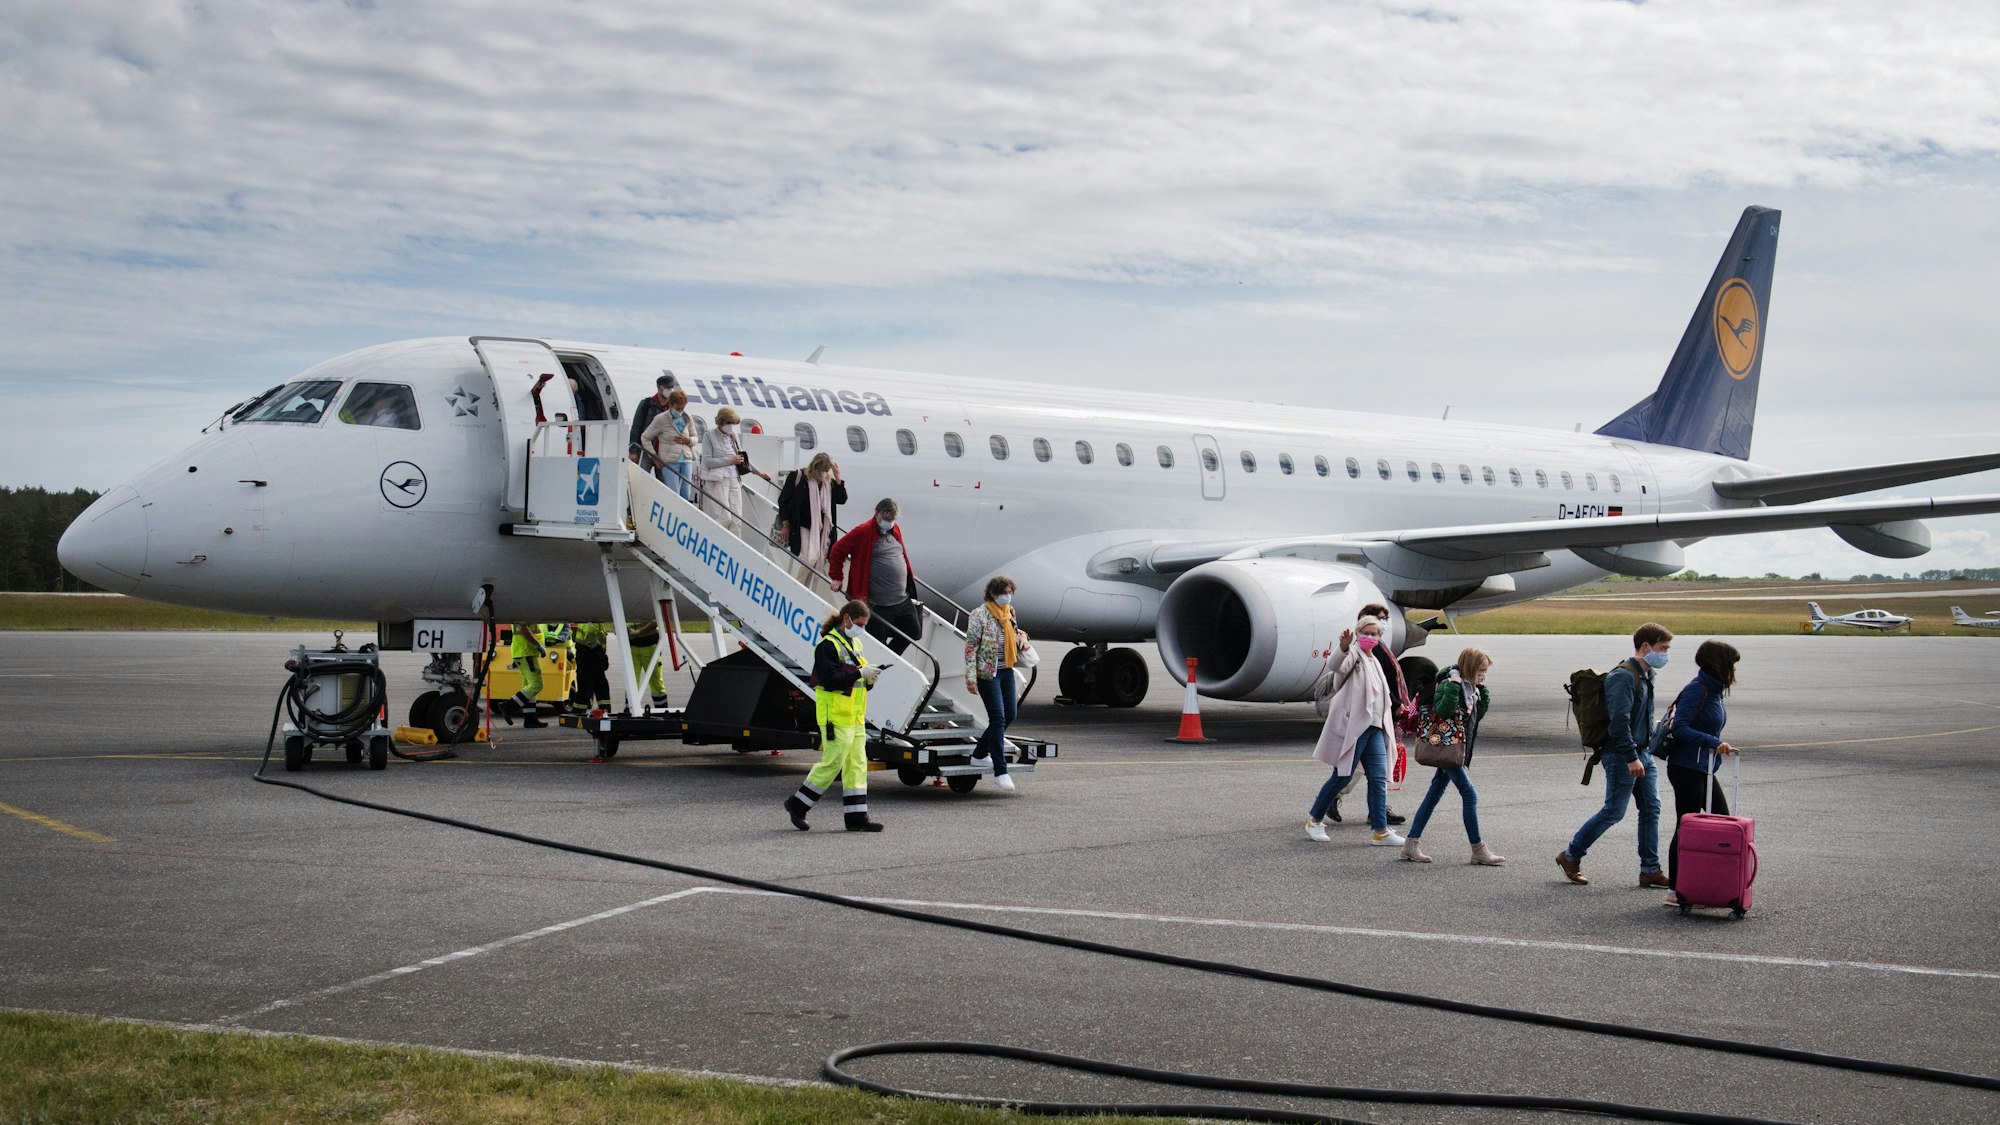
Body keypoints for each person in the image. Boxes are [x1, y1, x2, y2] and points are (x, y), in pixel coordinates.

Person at [1557, 622, 1674, 887]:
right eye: (1663, 648)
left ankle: (1650, 870)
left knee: (1651, 809)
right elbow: (1619, 722)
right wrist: (1631, 757)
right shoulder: (1623, 677)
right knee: (1614, 811)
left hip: (1642, 752)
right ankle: (1570, 855)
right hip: (1622, 754)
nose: (1665, 654)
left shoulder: (1647, 675)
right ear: (1646, 647)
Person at [784, 600, 885, 832]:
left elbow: (856, 681)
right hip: (835, 715)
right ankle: (797, 805)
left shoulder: (855, 643)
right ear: (846, 619)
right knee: (833, 763)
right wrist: (860, 673)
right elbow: (830, 680)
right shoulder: (827, 646)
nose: (862, 629)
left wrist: (869, 679)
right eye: (860, 624)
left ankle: (857, 817)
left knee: (857, 764)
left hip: (855, 716)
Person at [1305, 615, 1405, 846]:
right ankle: (1314, 820)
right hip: (1356, 727)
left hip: (1375, 727)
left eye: (1374, 634)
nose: (1369, 637)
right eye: (1365, 633)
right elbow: (1336, 665)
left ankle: (1380, 831)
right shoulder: (1353, 655)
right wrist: (1343, 647)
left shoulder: (1374, 660)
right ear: (1357, 634)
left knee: (1378, 778)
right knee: (1343, 776)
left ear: (1380, 637)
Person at [1399, 647, 1505, 865]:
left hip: (1453, 748)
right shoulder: (1451, 684)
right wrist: (1454, 687)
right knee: (1469, 794)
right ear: (1470, 667)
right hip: (1447, 746)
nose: (1483, 674)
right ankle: (1478, 849)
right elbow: (1443, 710)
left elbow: (1476, 717)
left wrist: (1482, 692)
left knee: (1434, 794)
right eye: (1481, 670)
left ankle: (1410, 844)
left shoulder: (1471, 689)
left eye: (1485, 671)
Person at [1664, 640, 1740, 896]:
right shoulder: (1698, 689)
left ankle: (1706, 880)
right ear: (1719, 664)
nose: (1733, 671)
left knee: (1723, 819)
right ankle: (1676, 888)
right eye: (1731, 665)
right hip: (1686, 767)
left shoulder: (1715, 691)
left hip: (1703, 768)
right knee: (1685, 825)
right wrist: (1713, 742)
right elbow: (1680, 727)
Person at [1330, 603, 1410, 826]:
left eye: (1385, 618)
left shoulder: (1379, 649)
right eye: (1380, 618)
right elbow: (1374, 683)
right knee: (1356, 767)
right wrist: (1396, 704)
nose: (1384, 622)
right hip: (1367, 717)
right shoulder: (1362, 652)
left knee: (1376, 770)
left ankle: (1377, 812)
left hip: (1380, 715)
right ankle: (1328, 801)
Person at [827, 499, 922, 655]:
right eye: (886, 519)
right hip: (878, 604)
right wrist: (837, 577)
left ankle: (890, 657)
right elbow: (838, 550)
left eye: (892, 519)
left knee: (913, 630)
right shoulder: (863, 532)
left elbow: (899, 554)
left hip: (901, 599)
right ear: (877, 513)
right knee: (878, 641)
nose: (889, 523)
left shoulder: (895, 529)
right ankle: (882, 662)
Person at [964, 576, 1027, 794]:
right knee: (997, 718)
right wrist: (971, 678)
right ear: (993, 593)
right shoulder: (979, 614)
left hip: (1007, 670)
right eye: (1004, 593)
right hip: (988, 673)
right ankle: (1001, 770)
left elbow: (1015, 631)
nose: (1007, 597)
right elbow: (971, 647)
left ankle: (979, 754)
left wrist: (1022, 637)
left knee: (1011, 714)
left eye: (1010, 593)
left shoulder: (1010, 612)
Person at [776, 452, 847, 588]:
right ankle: (797, 588)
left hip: (823, 529)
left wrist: (838, 478)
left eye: (827, 471)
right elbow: (783, 501)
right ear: (815, 467)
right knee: (808, 559)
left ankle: (809, 592)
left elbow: (842, 499)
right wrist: (785, 524)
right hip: (803, 526)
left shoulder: (828, 483)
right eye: (822, 470)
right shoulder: (798, 477)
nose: (824, 474)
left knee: (819, 562)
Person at [698, 406, 771, 535]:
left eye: (733, 423)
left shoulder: (733, 435)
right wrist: (730, 460)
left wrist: (758, 472)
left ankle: (735, 545)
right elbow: (707, 462)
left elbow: (742, 458)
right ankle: (719, 543)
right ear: (721, 421)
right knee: (724, 517)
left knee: (737, 520)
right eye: (729, 423)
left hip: (735, 479)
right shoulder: (709, 435)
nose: (731, 426)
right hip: (718, 480)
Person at [639, 389, 698, 501]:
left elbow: (695, 438)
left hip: (686, 459)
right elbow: (645, 437)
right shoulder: (661, 419)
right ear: (670, 404)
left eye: (683, 408)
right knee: (673, 494)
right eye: (678, 408)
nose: (681, 411)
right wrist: (654, 456)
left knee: (686, 494)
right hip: (670, 462)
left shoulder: (687, 417)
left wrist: (688, 441)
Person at [502, 623, 549, 729]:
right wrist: (538, 645)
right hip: (527, 653)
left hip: (524, 652)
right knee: (536, 685)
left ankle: (530, 719)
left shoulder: (520, 613)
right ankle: (508, 707)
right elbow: (524, 629)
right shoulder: (525, 613)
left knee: (529, 688)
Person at [627, 374, 676, 466]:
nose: (671, 390)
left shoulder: (673, 407)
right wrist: (633, 451)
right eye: (668, 387)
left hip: (664, 453)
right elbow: (636, 428)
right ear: (660, 388)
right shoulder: (647, 404)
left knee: (663, 476)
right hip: (646, 450)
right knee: (641, 473)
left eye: (672, 387)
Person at [567, 622, 611, 715]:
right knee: (589, 687)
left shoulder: (595, 621)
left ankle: (602, 710)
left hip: (589, 656)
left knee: (597, 686)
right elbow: (590, 639)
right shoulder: (592, 621)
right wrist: (600, 654)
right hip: (589, 655)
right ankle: (580, 712)